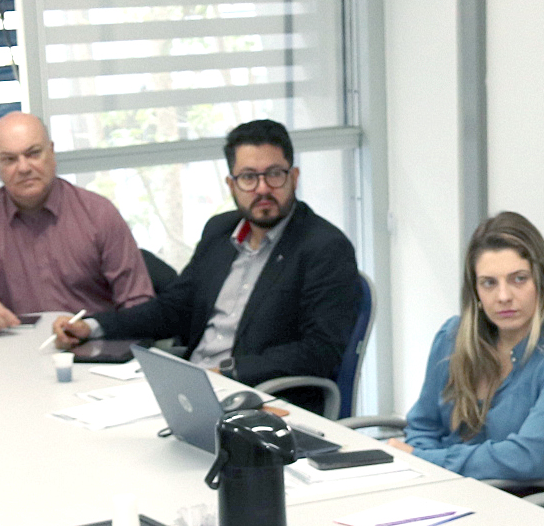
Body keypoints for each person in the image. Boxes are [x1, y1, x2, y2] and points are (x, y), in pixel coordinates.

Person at [57, 120, 360, 403]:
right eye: (248, 177)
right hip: (195, 388)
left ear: (293, 177)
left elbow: (320, 350)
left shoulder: (325, 247)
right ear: (231, 184)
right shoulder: (220, 232)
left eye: (274, 174)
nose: (263, 188)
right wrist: (93, 326)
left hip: (260, 399)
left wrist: (228, 371)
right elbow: (174, 308)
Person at [394, 211, 544, 481]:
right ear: (475, 292)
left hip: (513, 500)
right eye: (489, 283)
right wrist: (426, 473)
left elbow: (532, 458)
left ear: (542, 281)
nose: (503, 296)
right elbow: (423, 427)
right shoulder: (452, 336)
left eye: (519, 279)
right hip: (439, 487)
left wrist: (425, 460)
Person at [0, 112, 154, 336]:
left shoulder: (98, 214)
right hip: (14, 347)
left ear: (51, 152)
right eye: (10, 159)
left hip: (94, 345)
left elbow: (137, 303)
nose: (24, 168)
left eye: (33, 154)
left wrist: (99, 332)